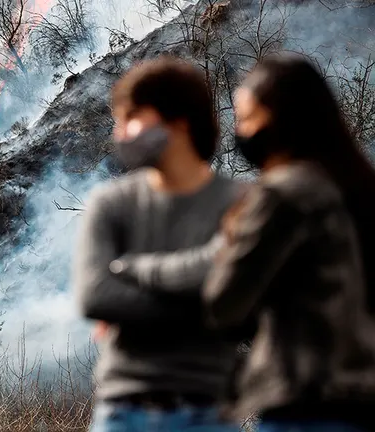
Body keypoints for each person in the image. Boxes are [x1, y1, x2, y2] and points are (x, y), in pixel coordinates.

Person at [202, 54, 375, 431]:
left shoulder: (282, 194)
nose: (240, 131)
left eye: (246, 118)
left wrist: (231, 238)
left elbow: (224, 303)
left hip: (304, 403)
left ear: (281, 119)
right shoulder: (360, 189)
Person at [73, 56, 246, 431]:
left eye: (132, 117)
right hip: (123, 411)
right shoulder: (110, 204)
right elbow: (96, 296)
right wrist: (204, 289)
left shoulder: (241, 204)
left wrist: (133, 274)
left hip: (210, 413)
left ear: (180, 120)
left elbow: (248, 305)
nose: (121, 133)